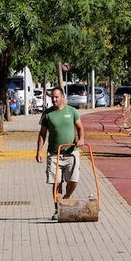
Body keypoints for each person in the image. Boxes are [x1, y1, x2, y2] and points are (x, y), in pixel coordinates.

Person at [35, 86, 84, 216]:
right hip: (54, 154)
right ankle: (58, 209)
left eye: (56, 97)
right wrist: (39, 151)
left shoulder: (72, 111)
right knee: (57, 183)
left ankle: (66, 200)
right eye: (52, 97)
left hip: (71, 153)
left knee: (73, 181)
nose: (54, 99)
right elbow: (42, 134)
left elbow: (80, 128)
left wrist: (81, 139)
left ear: (63, 97)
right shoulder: (47, 114)